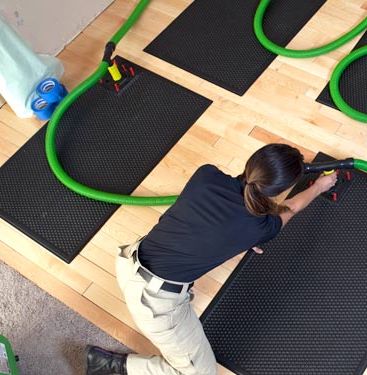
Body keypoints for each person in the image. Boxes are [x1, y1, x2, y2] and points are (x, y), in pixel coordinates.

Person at [85, 144, 338, 375]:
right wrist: (318, 187)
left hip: (129, 259)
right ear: (279, 190)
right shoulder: (260, 227)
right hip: (156, 305)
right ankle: (112, 367)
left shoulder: (207, 174)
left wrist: (240, 238)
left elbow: (212, 219)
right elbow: (290, 208)